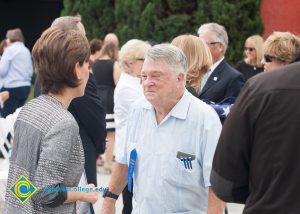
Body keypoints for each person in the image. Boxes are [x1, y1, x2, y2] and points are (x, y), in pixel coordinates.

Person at [101, 44, 224, 214]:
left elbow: (216, 185)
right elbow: (124, 160)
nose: (147, 83)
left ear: (179, 78)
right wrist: (109, 201)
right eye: (143, 76)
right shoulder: (137, 110)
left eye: (156, 76)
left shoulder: (204, 119)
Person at [4, 27, 98, 213]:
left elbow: (24, 175)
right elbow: (45, 193)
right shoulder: (63, 123)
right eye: (87, 64)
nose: (90, 70)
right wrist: (82, 193)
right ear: (76, 70)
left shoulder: (31, 108)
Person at [211, 61, 300, 214]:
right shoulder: (262, 87)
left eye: (269, 57)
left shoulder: (261, 87)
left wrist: (265, 194)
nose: (264, 61)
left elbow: (225, 183)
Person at [34, 15, 107, 191]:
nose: (86, 42)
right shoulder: (78, 75)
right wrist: (99, 147)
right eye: (83, 37)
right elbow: (95, 118)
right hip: (80, 155)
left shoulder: (41, 76)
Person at [114, 39, 151, 214]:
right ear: (130, 62)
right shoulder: (126, 88)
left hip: (137, 153)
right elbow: (150, 110)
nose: (149, 62)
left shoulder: (136, 83)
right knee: (130, 204)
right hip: (129, 158)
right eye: (144, 59)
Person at [197, 23, 245, 103]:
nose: (199, 47)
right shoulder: (193, 70)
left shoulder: (233, 78)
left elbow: (230, 111)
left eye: (203, 44)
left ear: (220, 47)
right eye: (198, 43)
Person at [92, 42, 120, 173]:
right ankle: (108, 163)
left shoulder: (95, 63)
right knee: (111, 134)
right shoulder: (114, 64)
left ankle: (93, 160)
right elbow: (118, 83)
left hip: (97, 97)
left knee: (98, 132)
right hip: (110, 99)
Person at [0, 28, 33, 117]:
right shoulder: (26, 50)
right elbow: (30, 71)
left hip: (11, 88)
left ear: (10, 39)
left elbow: (2, 71)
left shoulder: (10, 50)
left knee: (6, 119)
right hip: (25, 88)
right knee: (16, 117)